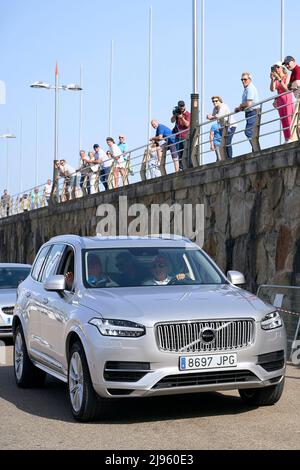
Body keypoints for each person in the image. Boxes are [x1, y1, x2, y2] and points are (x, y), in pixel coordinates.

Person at [270, 62, 294, 143]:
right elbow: (272, 89)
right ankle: (287, 138)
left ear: (282, 68)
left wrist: (279, 79)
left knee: (288, 117)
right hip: (280, 100)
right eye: (275, 67)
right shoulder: (277, 78)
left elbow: (286, 89)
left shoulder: (287, 76)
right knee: (283, 119)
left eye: (277, 67)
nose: (276, 69)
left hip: (287, 98)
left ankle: (291, 136)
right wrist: (272, 80)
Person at [235, 72, 259, 150]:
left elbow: (249, 103)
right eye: (242, 79)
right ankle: (255, 149)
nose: (243, 81)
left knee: (249, 132)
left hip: (253, 112)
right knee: (251, 132)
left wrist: (240, 107)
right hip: (250, 112)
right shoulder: (246, 89)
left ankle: (256, 149)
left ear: (249, 79)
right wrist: (241, 108)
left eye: (245, 79)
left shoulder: (250, 88)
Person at [170, 100, 190, 169]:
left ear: (184, 106)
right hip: (178, 137)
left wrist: (182, 117)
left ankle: (185, 168)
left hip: (185, 137)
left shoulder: (187, 114)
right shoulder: (177, 113)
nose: (181, 107)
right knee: (179, 154)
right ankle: (181, 168)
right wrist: (175, 115)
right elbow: (172, 121)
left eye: (182, 106)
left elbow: (187, 124)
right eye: (180, 106)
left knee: (185, 153)